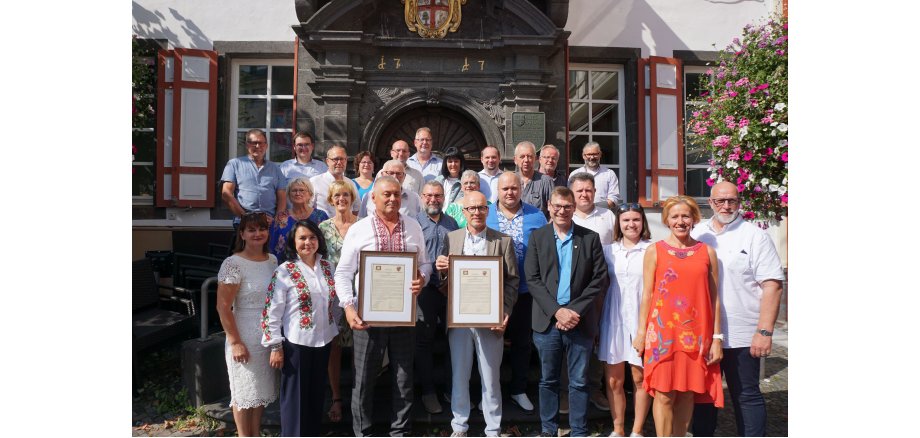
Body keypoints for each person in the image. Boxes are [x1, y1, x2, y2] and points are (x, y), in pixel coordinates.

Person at [333, 176, 431, 437]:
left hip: (403, 317)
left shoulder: (413, 227)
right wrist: (349, 308)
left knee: (403, 380)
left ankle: (401, 432)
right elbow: (343, 273)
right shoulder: (359, 229)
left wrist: (422, 279)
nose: (392, 199)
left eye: (397, 194)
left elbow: (425, 264)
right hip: (367, 317)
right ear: (373, 198)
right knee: (363, 381)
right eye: (386, 194)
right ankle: (363, 433)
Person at [690, 181, 785, 437]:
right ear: (710, 202)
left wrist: (764, 332)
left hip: (742, 332)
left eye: (731, 200)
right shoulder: (697, 234)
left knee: (746, 395)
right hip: (703, 333)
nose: (726, 206)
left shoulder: (755, 236)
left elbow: (773, 285)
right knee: (703, 397)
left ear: (739, 202)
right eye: (720, 201)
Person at [633, 195, 723, 438]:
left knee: (687, 392)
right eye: (675, 216)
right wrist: (642, 333)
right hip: (662, 335)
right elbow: (647, 296)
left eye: (686, 216)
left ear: (694, 219)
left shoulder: (707, 253)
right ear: (667, 220)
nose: (681, 221)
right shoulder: (655, 251)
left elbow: (714, 298)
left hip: (696, 335)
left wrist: (717, 338)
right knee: (663, 394)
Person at [525, 187, 609, 437]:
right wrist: (557, 312)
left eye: (567, 206)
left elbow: (598, 278)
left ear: (574, 208)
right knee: (548, 380)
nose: (562, 211)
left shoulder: (589, 238)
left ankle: (579, 431)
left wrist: (573, 312)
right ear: (549, 207)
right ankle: (548, 430)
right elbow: (533, 278)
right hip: (547, 322)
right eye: (557, 206)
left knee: (580, 382)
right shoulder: (538, 237)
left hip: (579, 322)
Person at [435, 191, 519, 437]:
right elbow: (444, 282)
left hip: (491, 320)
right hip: (459, 320)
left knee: (491, 378)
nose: (476, 213)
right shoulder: (452, 238)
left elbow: (513, 280)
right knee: (459, 375)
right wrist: (442, 270)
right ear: (463, 212)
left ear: (488, 210)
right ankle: (459, 425)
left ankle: (492, 427)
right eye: (471, 208)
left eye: (481, 208)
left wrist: (505, 312)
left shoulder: (503, 241)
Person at [262, 219, 341, 437]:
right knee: (295, 400)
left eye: (312, 237)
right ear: (293, 242)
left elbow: (334, 302)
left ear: (319, 239)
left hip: (323, 341)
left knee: (315, 396)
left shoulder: (327, 266)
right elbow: (272, 310)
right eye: (302, 238)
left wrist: (334, 327)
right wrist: (275, 345)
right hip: (296, 344)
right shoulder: (285, 270)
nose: (308, 242)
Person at [484, 171, 546, 414]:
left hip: (525, 291)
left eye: (514, 188)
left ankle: (518, 389)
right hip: (491, 290)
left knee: (522, 342)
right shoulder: (485, 213)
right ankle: (491, 393)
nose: (510, 192)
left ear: (521, 189)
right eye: (505, 189)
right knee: (490, 343)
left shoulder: (537, 215)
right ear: (496, 191)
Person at [215, 212, 279, 437]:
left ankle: (255, 433)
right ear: (242, 234)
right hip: (242, 333)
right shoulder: (233, 263)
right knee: (243, 394)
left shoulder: (272, 260)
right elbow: (223, 307)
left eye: (261, 229)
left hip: (266, 335)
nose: (257, 234)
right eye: (251, 230)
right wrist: (235, 342)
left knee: (258, 390)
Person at [598, 203, 654, 437]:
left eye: (636, 220)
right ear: (619, 225)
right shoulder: (609, 251)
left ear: (643, 222)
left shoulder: (653, 250)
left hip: (643, 320)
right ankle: (618, 428)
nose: (631, 224)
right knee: (613, 380)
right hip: (613, 318)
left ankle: (637, 430)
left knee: (640, 378)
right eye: (626, 220)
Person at [568, 172, 617, 412]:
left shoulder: (608, 215)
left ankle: (595, 387)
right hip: (572, 289)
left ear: (595, 192)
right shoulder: (564, 215)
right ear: (572, 194)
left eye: (588, 190)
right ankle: (569, 390)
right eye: (580, 191)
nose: (585, 194)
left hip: (602, 286)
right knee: (572, 337)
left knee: (597, 335)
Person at [415, 180, 460, 415]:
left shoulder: (452, 223)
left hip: (449, 289)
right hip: (424, 292)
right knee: (425, 341)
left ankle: (452, 390)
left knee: (453, 340)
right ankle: (428, 391)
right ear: (422, 197)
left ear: (444, 198)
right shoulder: (414, 224)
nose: (434, 200)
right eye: (429, 196)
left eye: (438, 196)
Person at [317, 179, 360, 423]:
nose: (341, 199)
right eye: (337, 196)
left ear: (352, 198)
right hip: (331, 295)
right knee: (333, 345)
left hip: (358, 294)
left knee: (358, 346)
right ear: (331, 200)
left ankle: (357, 395)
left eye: (345, 194)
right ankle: (336, 397)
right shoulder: (322, 228)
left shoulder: (362, 225)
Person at [220, 129, 287, 228]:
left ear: (266, 145)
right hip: (244, 221)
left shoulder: (275, 168)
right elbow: (226, 194)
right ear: (247, 145)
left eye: (261, 143)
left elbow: (282, 197)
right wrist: (246, 218)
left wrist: (277, 219)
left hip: (269, 222)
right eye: (254, 143)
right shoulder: (234, 164)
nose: (258, 146)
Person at [268, 178, 329, 263]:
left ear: (310, 194)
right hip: (286, 266)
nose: (298, 193)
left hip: (315, 264)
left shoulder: (321, 216)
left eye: (302, 190)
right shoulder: (281, 217)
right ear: (289, 195)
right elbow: (272, 244)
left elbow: (326, 244)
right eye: (294, 191)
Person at [310, 145, 360, 218]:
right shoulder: (315, 182)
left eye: (342, 159)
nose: (339, 162)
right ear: (327, 161)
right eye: (335, 159)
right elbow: (308, 208)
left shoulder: (351, 183)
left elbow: (357, 208)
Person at [568, 142, 621, 209]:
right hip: (579, 215)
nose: (592, 157)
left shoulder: (609, 174)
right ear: (583, 156)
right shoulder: (574, 174)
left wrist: (593, 208)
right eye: (589, 154)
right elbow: (569, 197)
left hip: (602, 215)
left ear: (600, 154)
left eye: (595, 154)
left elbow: (614, 199)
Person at [514, 141, 555, 218]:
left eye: (529, 156)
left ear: (535, 159)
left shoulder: (546, 181)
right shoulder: (510, 180)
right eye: (522, 156)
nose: (526, 160)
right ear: (515, 160)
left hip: (539, 228)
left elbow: (554, 211)